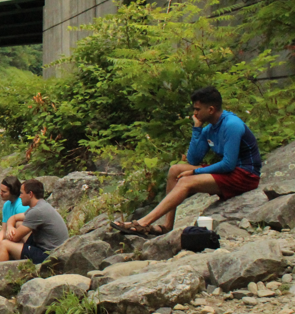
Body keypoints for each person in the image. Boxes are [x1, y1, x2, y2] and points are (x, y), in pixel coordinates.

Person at [112, 86, 262, 236]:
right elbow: (193, 158)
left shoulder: (231, 125)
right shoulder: (209, 128)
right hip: (232, 171)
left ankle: (143, 223)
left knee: (186, 181)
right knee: (176, 170)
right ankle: (167, 225)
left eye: (197, 109)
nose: (194, 113)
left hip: (246, 175)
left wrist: (195, 172)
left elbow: (228, 164)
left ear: (211, 109)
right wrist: (197, 129)